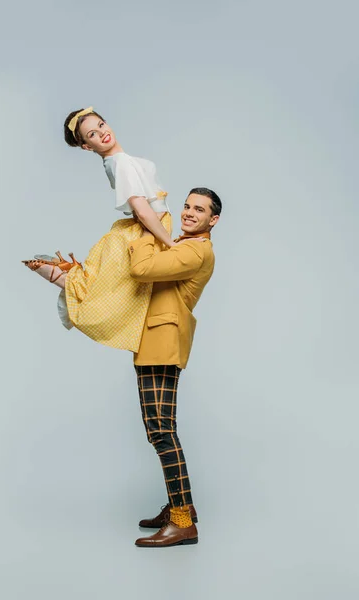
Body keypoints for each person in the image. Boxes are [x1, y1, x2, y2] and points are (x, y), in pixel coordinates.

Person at [22, 106, 176, 352]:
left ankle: (63, 275)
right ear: (86, 146)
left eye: (101, 125)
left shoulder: (114, 161)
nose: (101, 133)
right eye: (92, 134)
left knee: (120, 290)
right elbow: (143, 210)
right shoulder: (121, 162)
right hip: (148, 229)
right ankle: (63, 277)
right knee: (122, 295)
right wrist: (171, 244)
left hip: (148, 228)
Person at [128, 186, 222, 548]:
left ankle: (183, 521)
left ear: (213, 220)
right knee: (161, 430)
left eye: (199, 209)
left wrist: (147, 230)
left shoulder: (194, 250)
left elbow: (142, 269)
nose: (188, 212)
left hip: (162, 345)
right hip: (156, 342)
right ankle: (181, 508)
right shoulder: (183, 243)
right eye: (186, 205)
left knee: (162, 432)